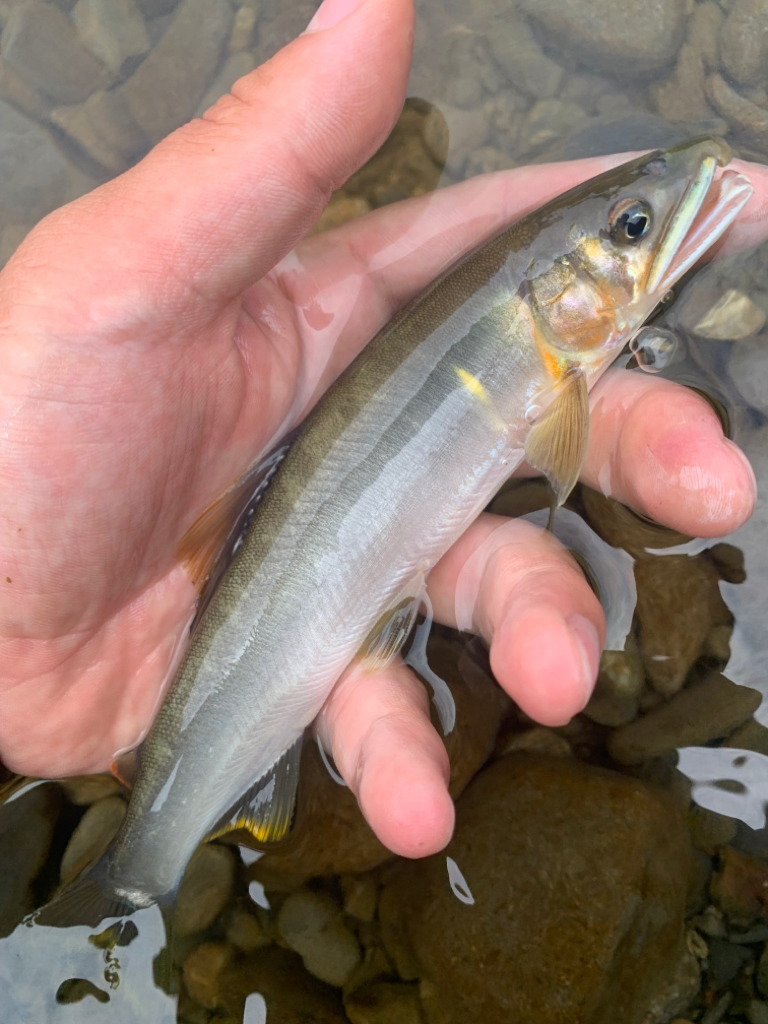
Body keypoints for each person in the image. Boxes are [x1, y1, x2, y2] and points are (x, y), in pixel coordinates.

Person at [0, 0, 764, 859]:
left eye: (633, 226)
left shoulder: (556, 349)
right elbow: (558, 447)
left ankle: (149, 856)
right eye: (633, 228)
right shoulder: (556, 371)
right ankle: (149, 863)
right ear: (554, 299)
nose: (650, 229)